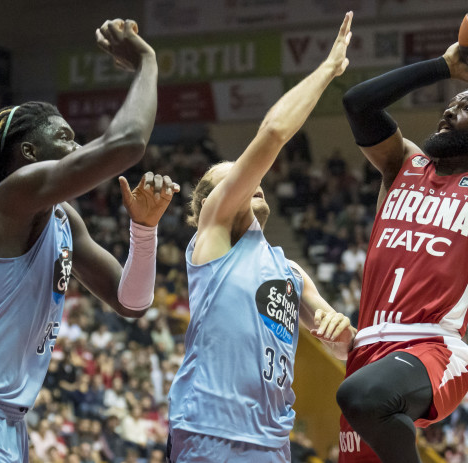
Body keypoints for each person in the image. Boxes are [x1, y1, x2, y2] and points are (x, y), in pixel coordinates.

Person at [0, 19, 175, 463]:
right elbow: (127, 143)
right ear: (29, 154)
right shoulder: (10, 196)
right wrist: (147, 62)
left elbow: (131, 303)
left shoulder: (64, 219)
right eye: (64, 138)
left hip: (7, 423)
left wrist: (144, 231)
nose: (76, 148)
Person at [336, 9, 468, 463]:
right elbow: (358, 103)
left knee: (360, 397)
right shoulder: (403, 166)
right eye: (450, 107)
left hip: (432, 347)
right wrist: (444, 67)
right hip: (369, 348)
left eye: (467, 108)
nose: (450, 113)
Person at [167, 12, 357, 462]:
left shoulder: (290, 272)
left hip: (273, 443)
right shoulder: (211, 241)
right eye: (231, 181)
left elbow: (343, 341)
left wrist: (343, 330)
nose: (249, 180)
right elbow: (272, 133)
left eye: (247, 175)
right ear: (208, 207)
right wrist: (328, 69)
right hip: (210, 432)